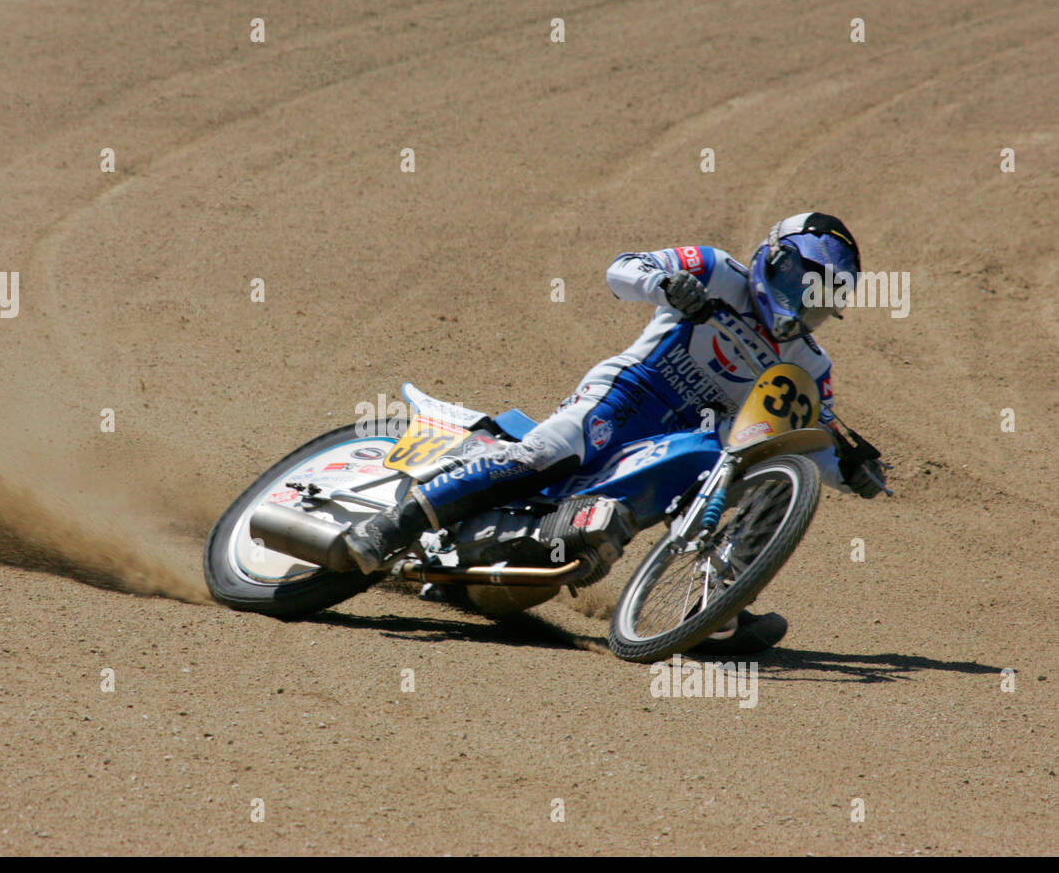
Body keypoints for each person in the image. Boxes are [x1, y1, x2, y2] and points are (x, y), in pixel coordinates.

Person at [344, 212, 888, 638]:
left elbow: (806, 441)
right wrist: (667, 287)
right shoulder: (718, 269)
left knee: (770, 468)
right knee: (543, 457)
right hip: (627, 394)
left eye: (823, 296)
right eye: (800, 280)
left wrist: (850, 472)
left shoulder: (811, 366)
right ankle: (396, 523)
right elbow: (622, 268)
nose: (802, 301)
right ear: (773, 257)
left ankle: (715, 600)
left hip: (685, 442)